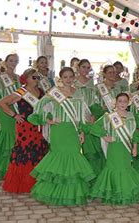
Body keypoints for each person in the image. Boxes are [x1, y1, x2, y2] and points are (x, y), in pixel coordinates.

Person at [28, 67, 95, 205]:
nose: (69, 79)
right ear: (61, 78)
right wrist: (48, 120)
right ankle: (54, 192)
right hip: (59, 130)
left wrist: (82, 131)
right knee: (58, 158)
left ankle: (71, 193)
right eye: (65, 77)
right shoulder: (54, 93)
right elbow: (39, 107)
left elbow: (81, 115)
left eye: (71, 76)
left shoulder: (78, 93)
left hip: (73, 131)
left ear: (74, 77)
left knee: (73, 158)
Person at [89, 93, 139, 205]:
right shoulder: (109, 116)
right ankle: (113, 192)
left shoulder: (131, 116)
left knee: (126, 168)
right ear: (116, 102)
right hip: (114, 148)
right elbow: (95, 126)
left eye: (125, 101)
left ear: (129, 103)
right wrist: (105, 136)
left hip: (126, 148)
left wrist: (135, 147)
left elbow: (135, 133)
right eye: (120, 101)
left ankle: (125, 192)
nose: (122, 103)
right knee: (113, 168)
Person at [0, 68, 48, 193]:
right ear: (26, 79)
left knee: (39, 151)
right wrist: (14, 115)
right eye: (34, 77)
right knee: (25, 152)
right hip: (25, 128)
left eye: (38, 77)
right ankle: (24, 182)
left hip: (39, 127)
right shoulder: (21, 92)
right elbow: (2, 102)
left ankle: (38, 182)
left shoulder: (41, 91)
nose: (36, 80)